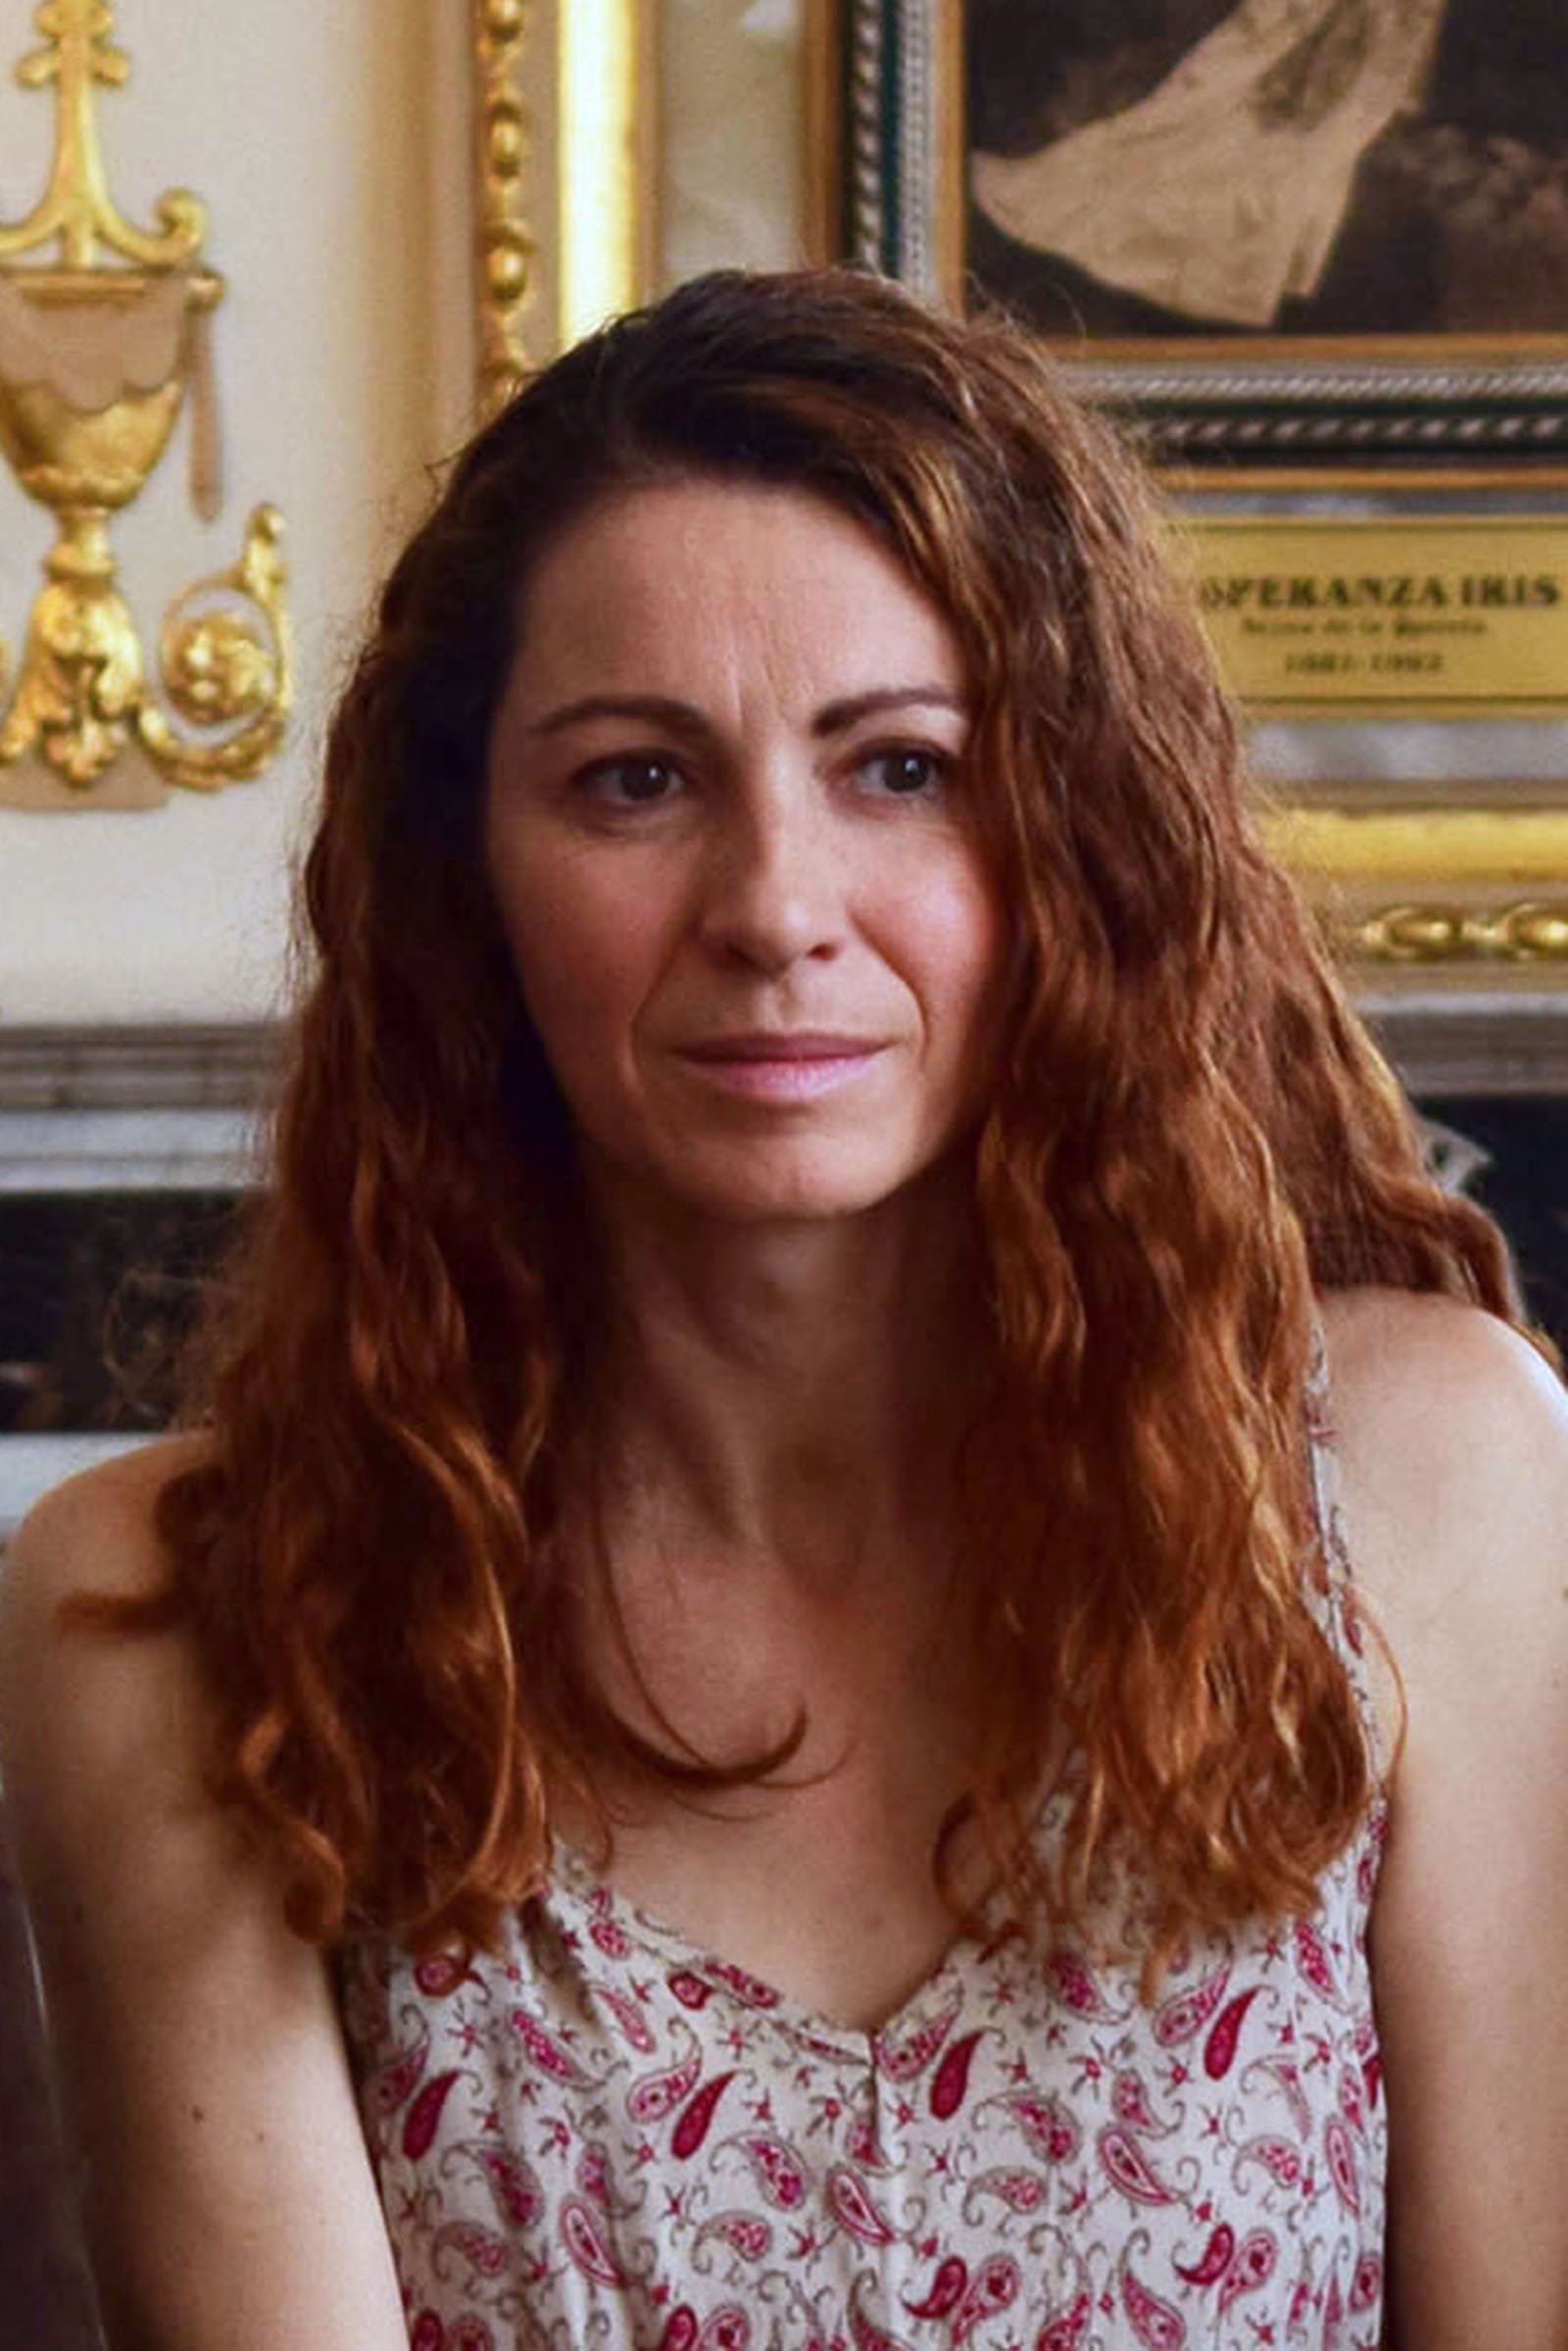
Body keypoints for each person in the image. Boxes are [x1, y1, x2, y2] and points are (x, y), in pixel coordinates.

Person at [1, 267, 1564, 2351]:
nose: (772, 909)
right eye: (634, 781)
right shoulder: (179, 1624)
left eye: (900, 767)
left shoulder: (1430, 1483)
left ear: (1079, 840)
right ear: (464, 873)